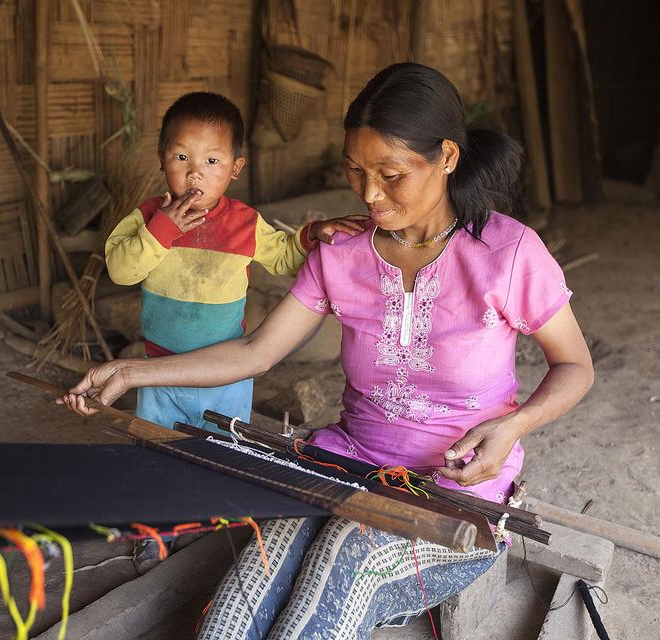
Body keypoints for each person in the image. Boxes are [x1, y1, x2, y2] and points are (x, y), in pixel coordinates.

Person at [61, 64, 594, 639]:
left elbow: (575, 366)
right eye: (356, 170)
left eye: (390, 174)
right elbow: (256, 352)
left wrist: (515, 426)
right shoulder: (342, 252)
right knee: (245, 595)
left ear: (446, 156)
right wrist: (131, 372)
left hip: (456, 489)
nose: (369, 193)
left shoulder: (508, 252)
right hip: (343, 459)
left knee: (338, 570)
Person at [104, 91, 366, 432]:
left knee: (223, 449)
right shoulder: (148, 217)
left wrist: (313, 233)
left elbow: (285, 258)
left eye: (212, 161)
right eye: (181, 157)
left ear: (235, 168)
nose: (195, 173)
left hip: (225, 375)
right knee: (156, 445)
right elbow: (120, 272)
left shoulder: (245, 223)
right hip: (159, 370)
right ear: (161, 158)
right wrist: (161, 231)